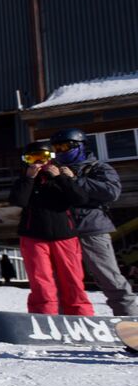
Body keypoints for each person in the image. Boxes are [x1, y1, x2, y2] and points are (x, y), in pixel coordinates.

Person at [49, 128, 138, 316]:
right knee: (64, 278)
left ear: (79, 146)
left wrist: (75, 179)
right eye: (57, 148)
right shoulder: (54, 170)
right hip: (63, 231)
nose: (61, 151)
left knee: (107, 274)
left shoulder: (98, 168)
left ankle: (128, 316)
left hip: (91, 227)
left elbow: (111, 192)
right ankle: (67, 318)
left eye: (65, 146)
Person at [10, 141, 91, 316]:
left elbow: (80, 199)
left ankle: (81, 316)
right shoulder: (25, 179)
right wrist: (29, 178)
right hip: (34, 236)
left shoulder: (62, 175)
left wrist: (61, 178)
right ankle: (44, 316)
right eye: (33, 158)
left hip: (65, 236)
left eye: (43, 157)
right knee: (41, 281)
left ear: (51, 158)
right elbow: (18, 200)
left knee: (72, 279)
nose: (39, 162)